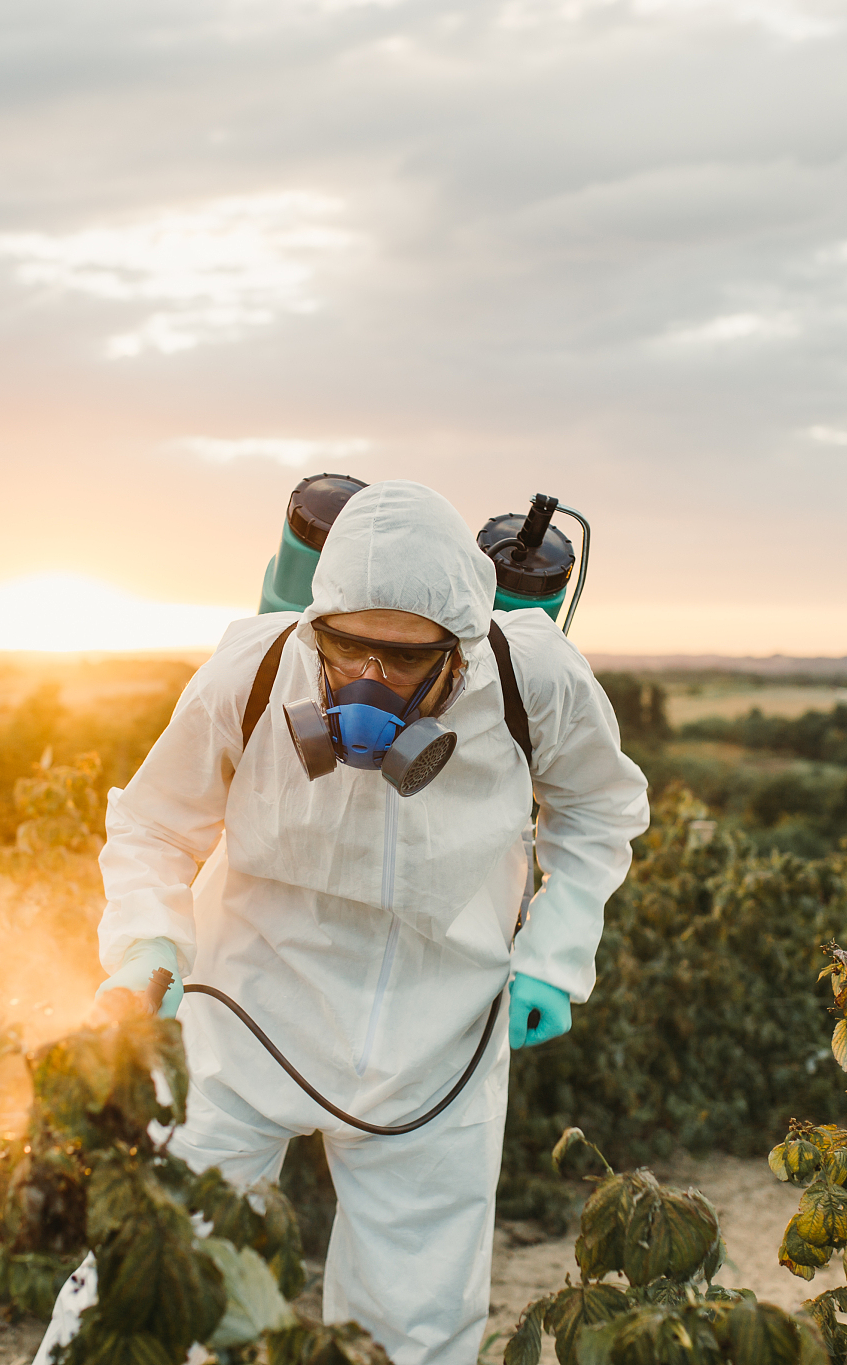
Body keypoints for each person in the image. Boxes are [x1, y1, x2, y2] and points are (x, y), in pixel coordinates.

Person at [92, 480, 648, 1364]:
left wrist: (556, 950)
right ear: (316, 626)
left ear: (461, 649)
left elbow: (600, 811)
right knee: (167, 1266)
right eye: (348, 652)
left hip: (438, 1032)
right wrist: (146, 939)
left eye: (402, 662)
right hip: (246, 1006)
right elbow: (156, 823)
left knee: (417, 1324)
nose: (369, 682)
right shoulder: (258, 667)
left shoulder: (530, 676)